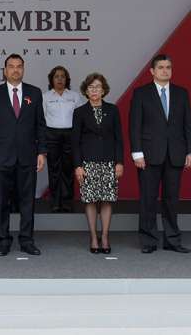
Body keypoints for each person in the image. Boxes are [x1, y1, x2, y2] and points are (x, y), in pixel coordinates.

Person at [129, 54, 191, 254]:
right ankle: (149, 240)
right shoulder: (141, 93)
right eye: (161, 67)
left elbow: (189, 125)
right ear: (152, 71)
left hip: (175, 154)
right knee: (148, 199)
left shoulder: (182, 93)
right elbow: (135, 126)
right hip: (149, 155)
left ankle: (172, 240)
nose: (165, 70)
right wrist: (136, 153)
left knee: (171, 199)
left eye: (168, 67)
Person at [0, 54, 47, 256]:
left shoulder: (35, 93)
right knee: (2, 201)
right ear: (4, 70)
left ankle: (27, 240)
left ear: (23, 69)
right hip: (2, 157)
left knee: (28, 201)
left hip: (28, 156)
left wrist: (42, 152)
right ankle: (3, 240)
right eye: (11, 66)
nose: (15, 70)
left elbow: (40, 125)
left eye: (19, 66)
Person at [72, 73, 123, 254]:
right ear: (86, 91)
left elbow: (119, 139)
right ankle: (94, 237)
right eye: (91, 87)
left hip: (109, 162)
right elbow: (75, 142)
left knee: (107, 200)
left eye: (98, 87)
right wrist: (78, 166)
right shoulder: (79, 112)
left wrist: (119, 162)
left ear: (104, 90)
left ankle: (106, 236)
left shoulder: (113, 110)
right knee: (91, 200)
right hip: (88, 163)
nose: (94, 90)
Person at [44, 66, 84, 213]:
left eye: (62, 76)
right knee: (54, 169)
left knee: (68, 169)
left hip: (70, 135)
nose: (60, 79)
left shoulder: (74, 96)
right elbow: (41, 120)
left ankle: (67, 201)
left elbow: (80, 118)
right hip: (51, 135)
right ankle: (55, 201)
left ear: (67, 79)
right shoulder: (46, 97)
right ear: (51, 79)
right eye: (56, 76)